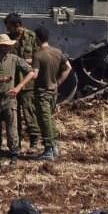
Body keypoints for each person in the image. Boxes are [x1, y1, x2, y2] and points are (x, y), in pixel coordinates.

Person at [0, 33, 36, 168]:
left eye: (8, 46)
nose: (7, 48)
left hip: (9, 99)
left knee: (12, 130)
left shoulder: (14, 59)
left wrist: (19, 87)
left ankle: (14, 156)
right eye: (5, 46)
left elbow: (31, 72)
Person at [31, 27, 72, 161]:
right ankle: (54, 146)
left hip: (42, 93)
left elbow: (35, 74)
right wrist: (58, 82)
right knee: (49, 119)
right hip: (54, 91)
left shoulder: (38, 54)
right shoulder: (57, 52)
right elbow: (68, 68)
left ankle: (49, 149)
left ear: (37, 38)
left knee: (45, 120)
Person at [5, 13, 40, 151]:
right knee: (13, 114)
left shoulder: (32, 37)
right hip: (13, 81)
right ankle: (16, 143)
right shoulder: (8, 39)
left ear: (18, 26)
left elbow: (38, 57)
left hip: (27, 82)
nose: (8, 30)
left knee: (29, 112)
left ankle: (34, 141)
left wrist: (24, 61)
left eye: (10, 27)